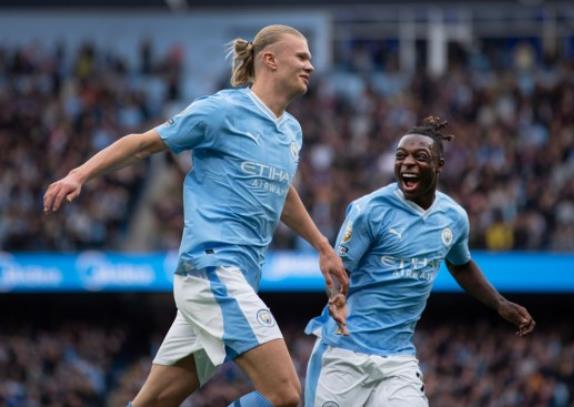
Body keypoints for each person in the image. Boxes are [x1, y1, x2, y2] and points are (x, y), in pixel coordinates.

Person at [43, 24, 348, 407]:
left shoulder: (292, 131)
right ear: (269, 59)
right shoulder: (221, 111)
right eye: (302, 56)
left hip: (234, 280)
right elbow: (142, 145)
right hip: (213, 272)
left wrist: (322, 245)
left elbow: (282, 192)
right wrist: (79, 174)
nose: (311, 65)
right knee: (286, 396)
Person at [304, 116, 536, 407]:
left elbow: (460, 264)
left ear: (439, 166)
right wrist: (336, 296)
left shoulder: (453, 217)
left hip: (397, 360)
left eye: (420, 157)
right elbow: (339, 268)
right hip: (344, 352)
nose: (408, 163)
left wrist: (500, 304)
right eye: (401, 156)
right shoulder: (369, 211)